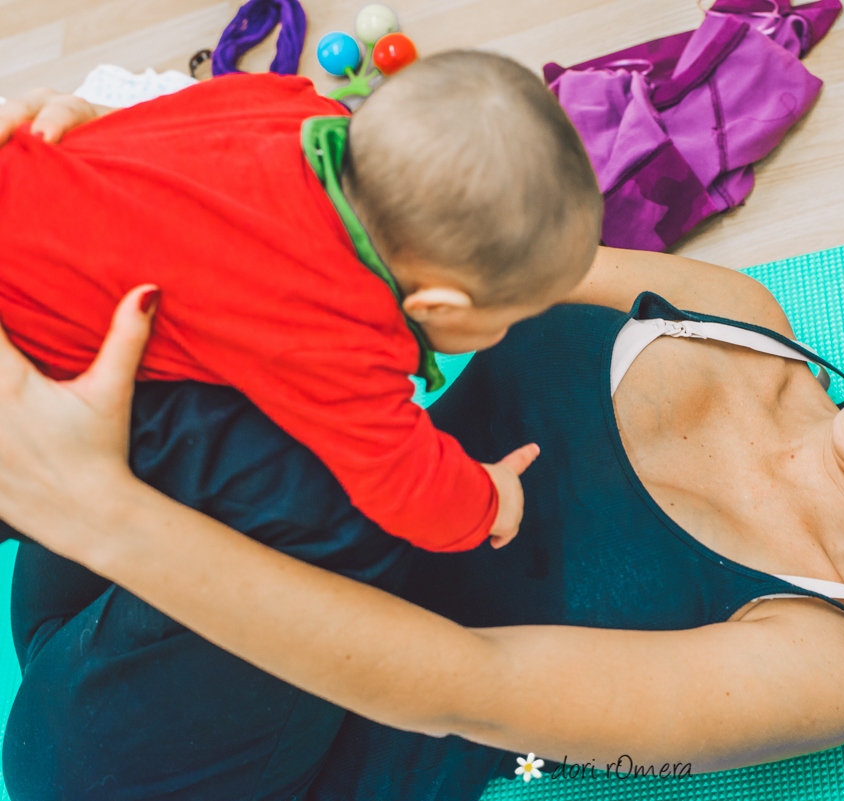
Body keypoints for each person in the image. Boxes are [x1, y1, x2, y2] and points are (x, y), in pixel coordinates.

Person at [1, 244, 844, 800]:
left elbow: (454, 684)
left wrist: (93, 507)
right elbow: (414, 272)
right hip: (122, 559)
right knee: (153, 298)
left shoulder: (825, 661)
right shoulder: (729, 311)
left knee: (383, 498)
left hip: (170, 764)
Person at [0, 51, 603, 553]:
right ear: (438, 304)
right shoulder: (334, 326)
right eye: (507, 321)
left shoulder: (285, 101)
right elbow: (406, 485)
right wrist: (491, 498)